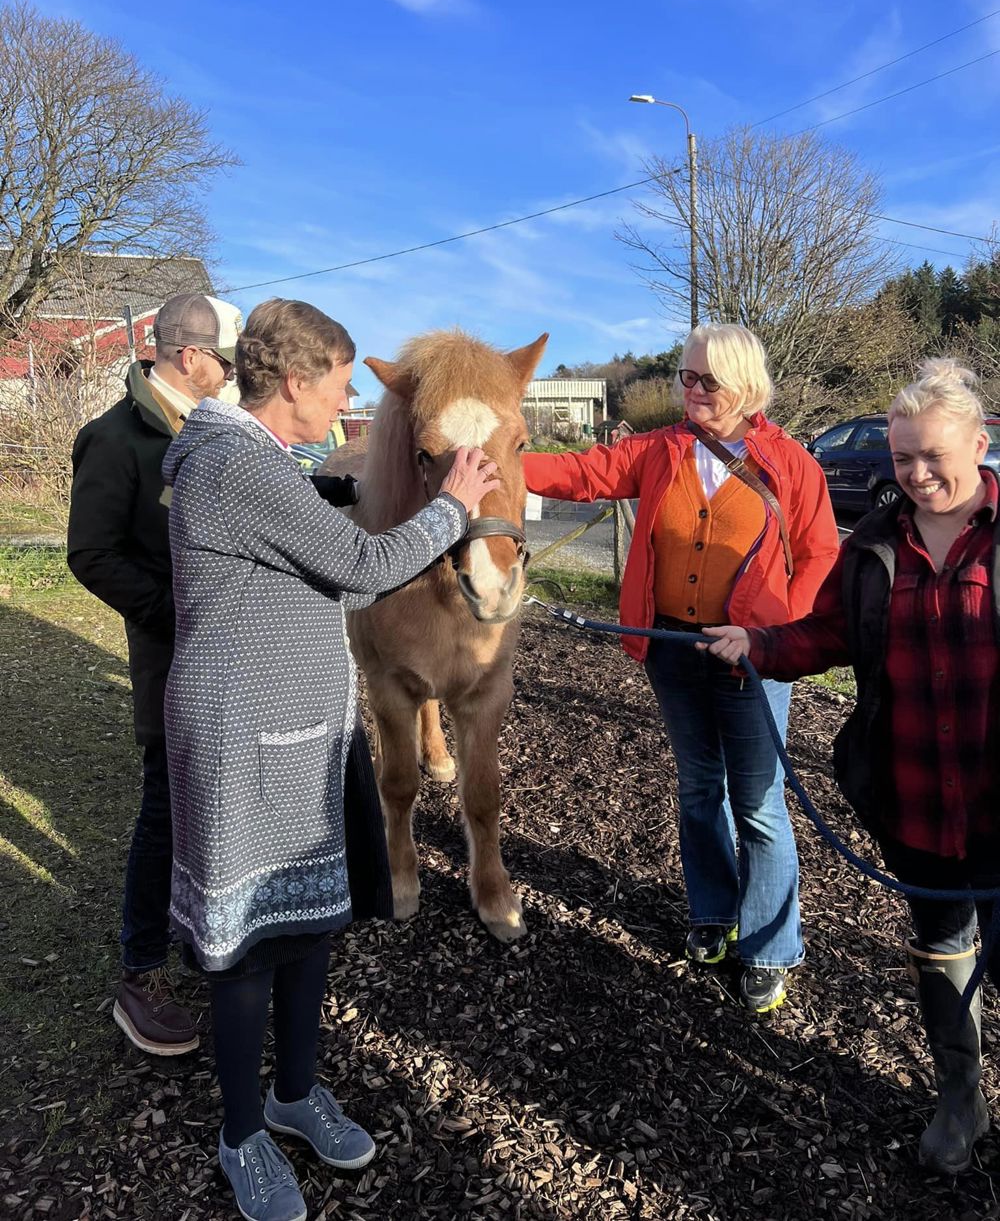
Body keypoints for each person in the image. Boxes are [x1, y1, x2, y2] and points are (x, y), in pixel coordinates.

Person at [162, 297, 500, 1221]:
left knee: (310, 921)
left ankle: (294, 1091)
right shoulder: (232, 462)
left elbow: (306, 510)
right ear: (298, 383)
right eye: (344, 385)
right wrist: (454, 506)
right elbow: (358, 566)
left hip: (302, 730)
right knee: (247, 950)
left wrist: (350, 490)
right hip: (245, 738)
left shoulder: (267, 464)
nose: (351, 404)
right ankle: (242, 1135)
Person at [704, 358, 999, 1173]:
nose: (915, 472)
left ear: (980, 442)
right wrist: (759, 646)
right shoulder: (874, 541)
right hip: (914, 797)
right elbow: (824, 635)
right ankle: (960, 1097)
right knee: (941, 946)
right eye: (903, 458)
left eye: (932, 454)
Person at [523, 324, 839, 1013]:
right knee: (699, 789)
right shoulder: (663, 450)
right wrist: (497, 461)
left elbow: (818, 556)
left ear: (745, 385)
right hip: (670, 648)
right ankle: (714, 913)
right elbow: (582, 472)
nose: (691, 390)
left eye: (707, 380)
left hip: (752, 661)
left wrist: (774, 634)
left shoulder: (791, 463)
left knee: (757, 805)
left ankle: (770, 945)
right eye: (685, 378)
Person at [68, 292, 245, 1055]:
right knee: (167, 804)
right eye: (224, 360)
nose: (232, 373)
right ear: (185, 353)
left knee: (211, 802)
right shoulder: (115, 438)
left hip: (230, 653)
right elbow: (92, 554)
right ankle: (140, 971)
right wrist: (182, 613)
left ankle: (196, 934)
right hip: (173, 652)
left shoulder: (213, 430)